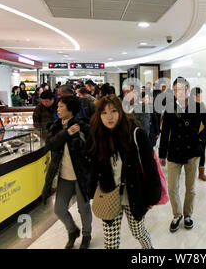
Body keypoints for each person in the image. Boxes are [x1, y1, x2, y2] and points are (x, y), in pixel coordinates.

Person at [88, 95, 161, 249]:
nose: (109, 117)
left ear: (121, 111)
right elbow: (94, 167)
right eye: (104, 113)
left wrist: (152, 197)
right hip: (109, 194)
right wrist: (90, 192)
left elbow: (150, 166)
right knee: (111, 243)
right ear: (98, 115)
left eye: (113, 111)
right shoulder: (98, 135)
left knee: (138, 232)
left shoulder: (136, 133)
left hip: (133, 194)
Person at [159, 77, 206, 232]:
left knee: (191, 188)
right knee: (172, 188)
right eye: (176, 90)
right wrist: (162, 154)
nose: (179, 93)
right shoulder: (170, 109)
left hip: (193, 153)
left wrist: (201, 139)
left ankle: (188, 215)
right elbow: (165, 133)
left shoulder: (198, 107)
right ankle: (177, 215)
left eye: (182, 89)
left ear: (188, 90)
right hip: (174, 152)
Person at [41, 96, 92, 249]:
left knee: (83, 207)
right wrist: (67, 133)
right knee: (59, 208)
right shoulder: (56, 126)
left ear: (70, 109)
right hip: (64, 175)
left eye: (61, 106)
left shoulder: (82, 126)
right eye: (58, 106)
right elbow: (51, 144)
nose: (58, 109)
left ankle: (86, 235)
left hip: (81, 175)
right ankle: (72, 231)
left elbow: (92, 147)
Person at [190, 87, 206, 181]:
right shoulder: (189, 106)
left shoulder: (202, 105)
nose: (200, 97)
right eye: (199, 95)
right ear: (194, 95)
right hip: (192, 134)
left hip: (202, 134)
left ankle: (201, 173)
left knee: (202, 152)